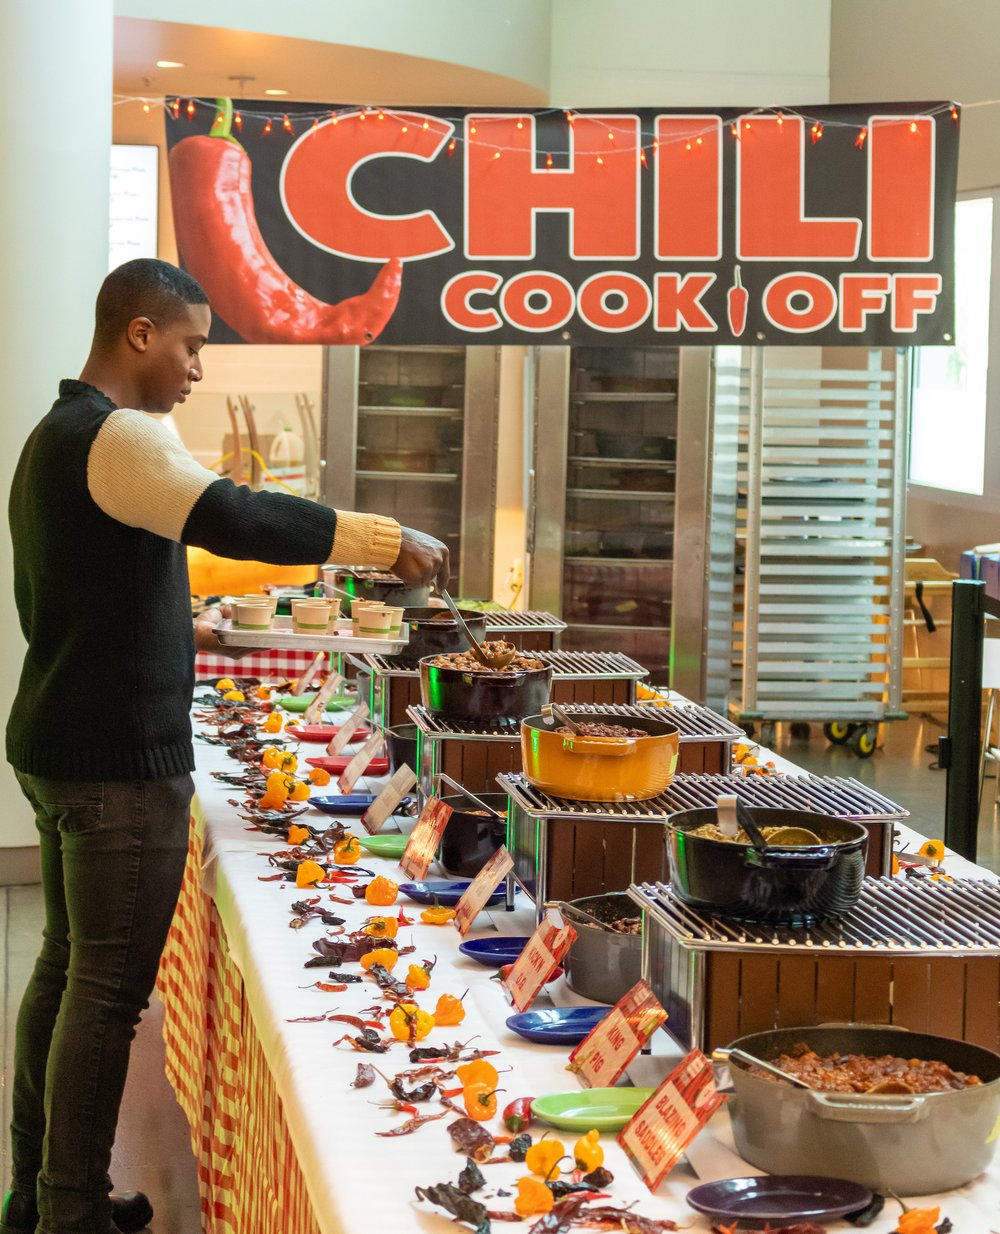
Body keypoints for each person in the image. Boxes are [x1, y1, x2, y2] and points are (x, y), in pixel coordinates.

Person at [0, 258, 449, 1234]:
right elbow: (232, 511)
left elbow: (151, 559)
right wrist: (378, 539)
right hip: (115, 758)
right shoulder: (117, 433)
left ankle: (41, 1186)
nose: (198, 367)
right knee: (106, 994)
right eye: (193, 344)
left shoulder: (54, 436)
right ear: (139, 335)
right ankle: (67, 1207)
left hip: (59, 738)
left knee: (69, 972)